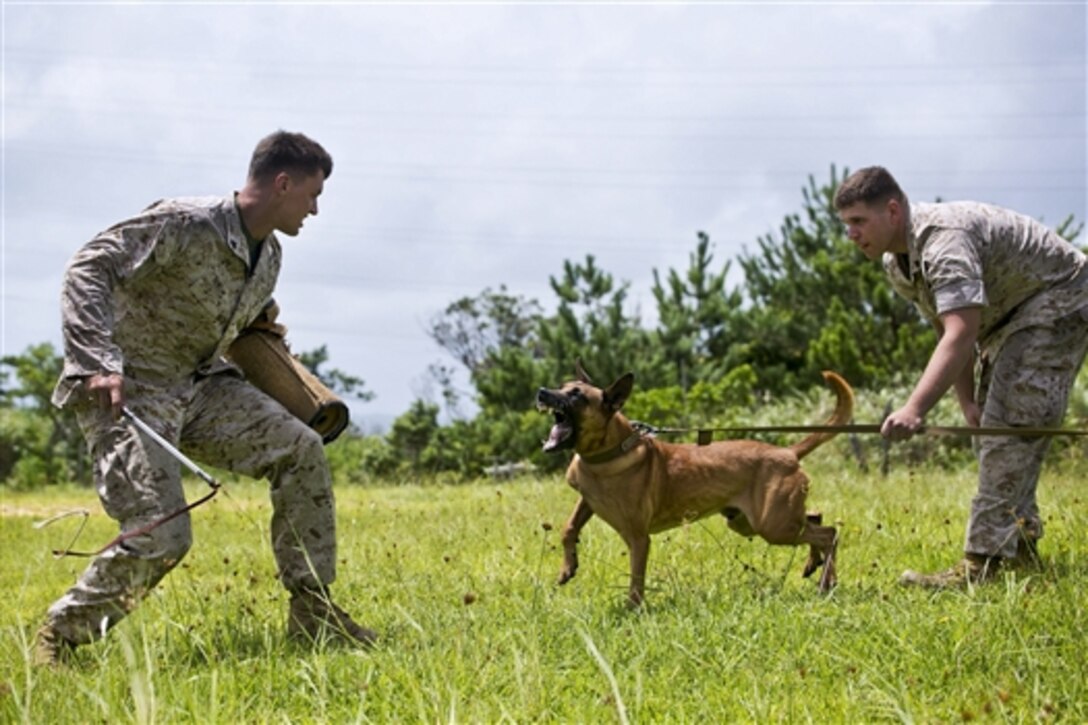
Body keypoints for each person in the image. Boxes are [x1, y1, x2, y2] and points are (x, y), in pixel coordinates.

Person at [34, 130, 377, 666]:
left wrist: (296, 383)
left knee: (301, 448)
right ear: (282, 183)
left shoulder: (269, 259)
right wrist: (97, 362)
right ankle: (63, 633)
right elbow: (89, 266)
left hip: (202, 388)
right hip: (131, 394)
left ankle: (314, 615)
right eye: (312, 195)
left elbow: (250, 330)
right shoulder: (186, 221)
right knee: (164, 534)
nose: (314, 209)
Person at [834, 166, 1088, 589]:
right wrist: (967, 402)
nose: (851, 234)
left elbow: (961, 331)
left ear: (892, 210)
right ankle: (1019, 552)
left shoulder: (943, 243)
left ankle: (981, 565)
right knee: (994, 426)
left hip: (1058, 299)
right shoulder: (897, 265)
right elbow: (946, 328)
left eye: (858, 221)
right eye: (846, 225)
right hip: (1007, 320)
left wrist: (914, 408)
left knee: (1010, 426)